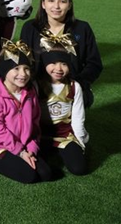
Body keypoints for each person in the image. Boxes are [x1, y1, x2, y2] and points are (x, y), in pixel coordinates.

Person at [19, 0, 102, 108]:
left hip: (72, 93)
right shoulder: (30, 27)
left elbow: (94, 63)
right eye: (51, 0)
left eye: (62, 1)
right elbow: (23, 61)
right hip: (38, 91)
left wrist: (76, 85)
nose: (56, 6)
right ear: (43, 4)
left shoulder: (82, 28)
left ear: (69, 5)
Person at [0, 40, 52, 184]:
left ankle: (23, 156)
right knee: (28, 176)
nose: (23, 74)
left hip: (25, 144)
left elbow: (35, 123)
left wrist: (32, 148)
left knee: (46, 174)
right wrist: (20, 151)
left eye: (26, 69)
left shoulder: (30, 92)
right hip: (1, 145)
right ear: (5, 71)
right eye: (16, 68)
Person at [37, 47, 89, 175]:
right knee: (40, 169)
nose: (59, 69)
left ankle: (61, 149)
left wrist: (80, 142)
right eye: (53, 63)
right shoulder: (36, 84)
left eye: (64, 64)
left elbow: (78, 117)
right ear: (44, 64)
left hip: (64, 135)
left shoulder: (74, 86)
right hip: (39, 134)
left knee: (79, 169)